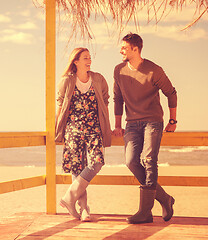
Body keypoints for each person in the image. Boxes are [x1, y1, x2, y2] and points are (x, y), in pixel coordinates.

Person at [113, 33, 177, 224]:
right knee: (131, 161)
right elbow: (118, 98)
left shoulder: (154, 70)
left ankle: (145, 212)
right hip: (131, 123)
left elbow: (171, 93)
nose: (120, 50)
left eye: (124, 47)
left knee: (149, 160)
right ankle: (165, 198)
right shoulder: (119, 70)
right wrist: (117, 124)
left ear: (135, 49)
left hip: (152, 121)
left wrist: (172, 121)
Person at [56, 47, 111, 221]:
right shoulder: (66, 81)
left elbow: (105, 102)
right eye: (85, 58)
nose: (89, 60)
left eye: (89, 58)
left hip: (94, 128)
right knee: (77, 168)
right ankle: (84, 209)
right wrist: (56, 130)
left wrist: (107, 127)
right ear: (76, 61)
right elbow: (59, 106)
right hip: (73, 129)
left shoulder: (98, 79)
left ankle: (68, 198)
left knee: (96, 163)